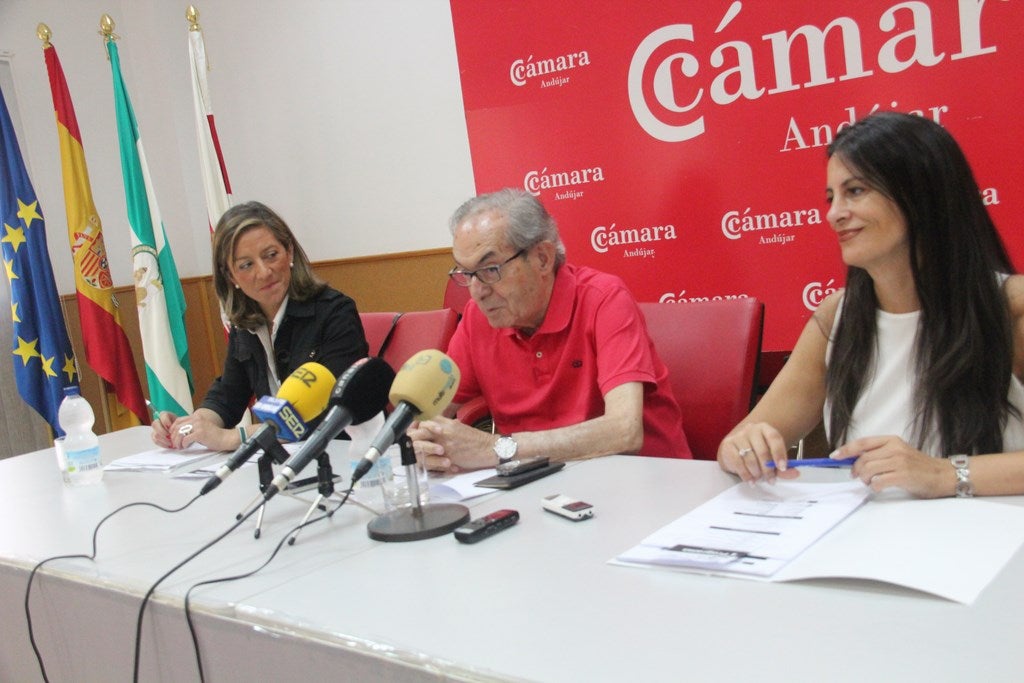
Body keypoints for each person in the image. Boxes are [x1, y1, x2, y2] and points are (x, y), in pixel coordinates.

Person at [718, 112, 1024, 498]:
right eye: (831, 197)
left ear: (921, 192)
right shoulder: (836, 317)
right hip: (869, 531)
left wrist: (942, 474)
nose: (835, 214)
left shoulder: (1011, 306)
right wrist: (744, 448)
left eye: (856, 191)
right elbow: (736, 444)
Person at [411, 188, 691, 472]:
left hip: (645, 477)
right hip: (543, 482)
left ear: (542, 258)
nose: (477, 291)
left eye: (490, 269)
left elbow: (624, 431)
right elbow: (430, 415)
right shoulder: (478, 317)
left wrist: (497, 448)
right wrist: (428, 442)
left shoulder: (604, 299)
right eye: (466, 273)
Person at [152, 201, 368, 451]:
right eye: (246, 265)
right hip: (285, 456)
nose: (264, 272)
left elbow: (328, 416)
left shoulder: (335, 312)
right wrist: (193, 425)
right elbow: (229, 394)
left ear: (289, 252)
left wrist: (230, 438)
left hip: (343, 452)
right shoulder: (246, 322)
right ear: (231, 276)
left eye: (271, 255)